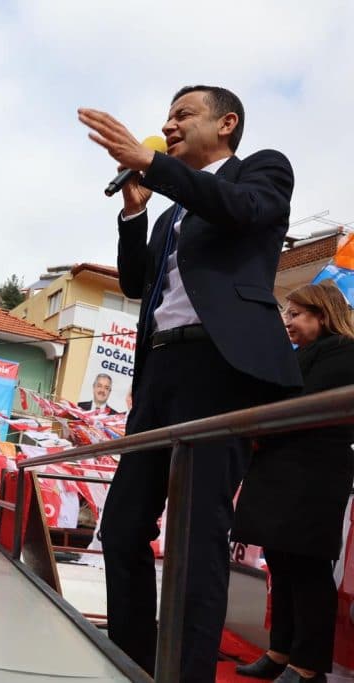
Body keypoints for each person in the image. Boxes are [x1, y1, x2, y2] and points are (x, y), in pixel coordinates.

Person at [78, 85, 302, 681]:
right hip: (159, 373)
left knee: (198, 537)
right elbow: (134, 282)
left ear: (226, 124)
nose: (169, 126)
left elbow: (241, 212)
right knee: (123, 526)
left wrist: (153, 162)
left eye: (183, 116)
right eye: (166, 119)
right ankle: (132, 659)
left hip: (218, 368)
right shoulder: (171, 209)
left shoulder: (263, 171)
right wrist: (134, 209)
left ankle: (187, 672)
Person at [231, 282, 354, 683]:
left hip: (313, 474)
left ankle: (307, 666)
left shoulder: (345, 354)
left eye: (296, 314)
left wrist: (259, 427)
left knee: (308, 569)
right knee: (281, 563)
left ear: (322, 314)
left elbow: (297, 409)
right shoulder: (302, 355)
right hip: (283, 471)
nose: (288, 322)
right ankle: (280, 650)